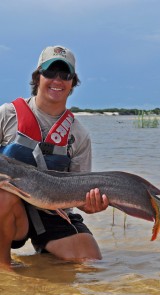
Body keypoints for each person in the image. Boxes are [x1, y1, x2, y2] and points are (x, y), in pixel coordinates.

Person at [0, 45, 109, 269]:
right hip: (9, 208)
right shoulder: (7, 114)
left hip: (51, 213)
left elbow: (81, 194)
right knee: (5, 194)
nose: (57, 80)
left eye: (65, 74)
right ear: (38, 77)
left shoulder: (78, 135)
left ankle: (45, 251)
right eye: (50, 72)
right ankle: (4, 269)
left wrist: (92, 205)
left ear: (72, 82)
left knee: (91, 264)